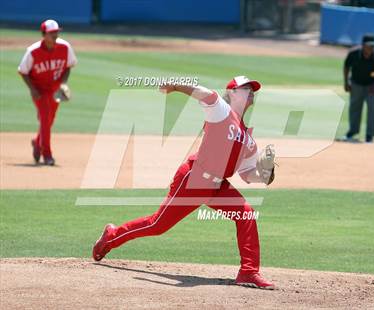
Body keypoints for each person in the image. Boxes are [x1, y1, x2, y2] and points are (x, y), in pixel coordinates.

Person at [92, 76, 277, 290]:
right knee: (157, 225)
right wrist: (177, 86)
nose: (251, 92)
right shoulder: (222, 111)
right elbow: (203, 93)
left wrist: (265, 174)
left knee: (245, 214)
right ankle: (111, 236)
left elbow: (247, 174)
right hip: (194, 179)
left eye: (253, 90)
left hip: (217, 185)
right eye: (246, 88)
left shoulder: (248, 139)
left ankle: (248, 272)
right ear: (232, 92)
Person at [18, 19, 77, 165]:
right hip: (39, 90)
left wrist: (63, 84)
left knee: (50, 120)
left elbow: (69, 66)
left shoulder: (65, 47)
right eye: (52, 33)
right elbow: (23, 71)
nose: (55, 35)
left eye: (56, 32)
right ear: (43, 34)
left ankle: (38, 143)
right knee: (45, 118)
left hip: (56, 89)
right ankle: (47, 155)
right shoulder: (33, 51)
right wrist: (32, 89)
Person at [342, 34, 374, 143]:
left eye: (373, 46)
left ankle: (370, 135)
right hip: (356, 83)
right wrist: (346, 82)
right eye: (369, 46)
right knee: (355, 107)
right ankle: (352, 132)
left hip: (372, 86)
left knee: (371, 108)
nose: (371, 48)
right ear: (363, 45)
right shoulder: (353, 53)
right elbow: (346, 66)